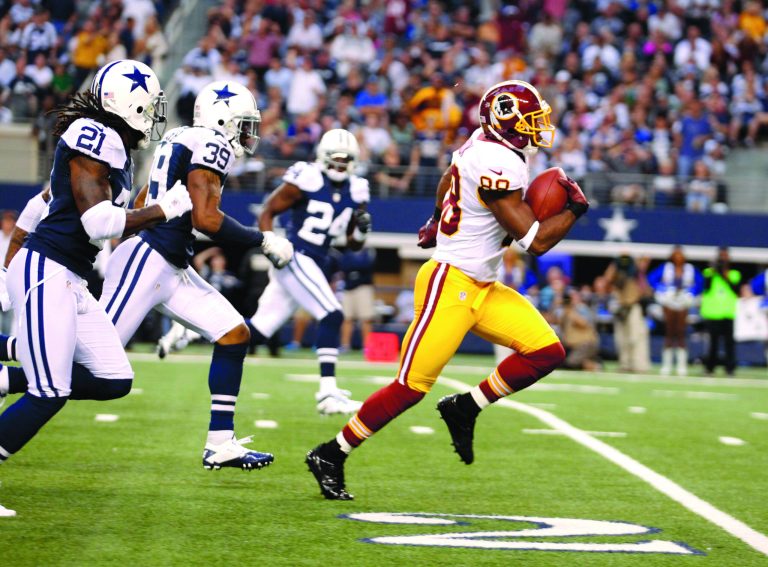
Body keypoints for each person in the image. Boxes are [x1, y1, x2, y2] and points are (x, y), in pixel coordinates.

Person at [305, 80, 589, 500]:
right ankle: (332, 452)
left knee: (546, 351)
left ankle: (466, 406)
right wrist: (573, 211)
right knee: (410, 387)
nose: (537, 127)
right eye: (531, 120)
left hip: (484, 286)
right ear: (506, 123)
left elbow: (446, 178)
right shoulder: (498, 160)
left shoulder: (484, 144)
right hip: (451, 284)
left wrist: (437, 217)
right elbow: (535, 241)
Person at [0, 60, 190, 500]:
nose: (154, 113)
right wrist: (164, 209)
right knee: (50, 393)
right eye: (149, 104)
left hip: (68, 277)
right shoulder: (96, 136)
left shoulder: (114, 148)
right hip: (48, 270)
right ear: (127, 102)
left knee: (111, 377)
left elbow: (38, 204)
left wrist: (7, 267)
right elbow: (98, 223)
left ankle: (9, 370)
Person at [98, 81, 293, 471]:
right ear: (223, 119)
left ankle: (221, 443)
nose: (247, 134)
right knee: (91, 365)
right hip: (150, 259)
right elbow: (206, 219)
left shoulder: (179, 136)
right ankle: (7, 375)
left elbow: (143, 199)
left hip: (169, 262)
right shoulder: (212, 144)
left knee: (234, 333)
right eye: (243, 124)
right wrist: (262, 239)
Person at [244, 128, 372, 415]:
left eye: (345, 160)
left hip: (316, 260)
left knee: (259, 331)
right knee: (332, 314)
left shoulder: (358, 188)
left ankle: (191, 331)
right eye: (335, 159)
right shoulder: (308, 177)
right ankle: (327, 393)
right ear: (322, 157)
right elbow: (267, 211)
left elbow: (352, 244)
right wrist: (271, 242)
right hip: (295, 255)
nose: (339, 165)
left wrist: (362, 231)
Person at [648, 246, 703, 376]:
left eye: (680, 255)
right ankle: (666, 365)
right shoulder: (666, 268)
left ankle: (681, 365)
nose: (678, 257)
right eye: (676, 255)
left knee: (680, 332)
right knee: (669, 331)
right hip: (669, 300)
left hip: (683, 301)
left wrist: (691, 292)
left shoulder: (689, 269)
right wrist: (662, 289)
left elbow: (700, 283)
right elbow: (652, 279)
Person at [605, 254, 651, 373]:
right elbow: (607, 279)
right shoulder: (615, 273)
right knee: (621, 338)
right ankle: (625, 364)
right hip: (620, 307)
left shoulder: (636, 273)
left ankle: (640, 365)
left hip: (633, 306)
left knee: (636, 337)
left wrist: (636, 266)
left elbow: (645, 291)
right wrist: (615, 264)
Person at [700, 247, 742, 376]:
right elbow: (706, 287)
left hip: (728, 313)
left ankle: (730, 368)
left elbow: (736, 290)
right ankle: (710, 367)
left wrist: (725, 274)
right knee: (713, 343)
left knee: (729, 343)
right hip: (713, 313)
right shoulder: (709, 272)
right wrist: (714, 271)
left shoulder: (734, 274)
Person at [338, 248, 376, 352]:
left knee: (366, 318)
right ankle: (345, 345)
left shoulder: (368, 252)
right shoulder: (347, 253)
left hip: (363, 287)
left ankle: (367, 347)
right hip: (348, 288)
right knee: (346, 318)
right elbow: (343, 267)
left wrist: (354, 271)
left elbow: (367, 266)